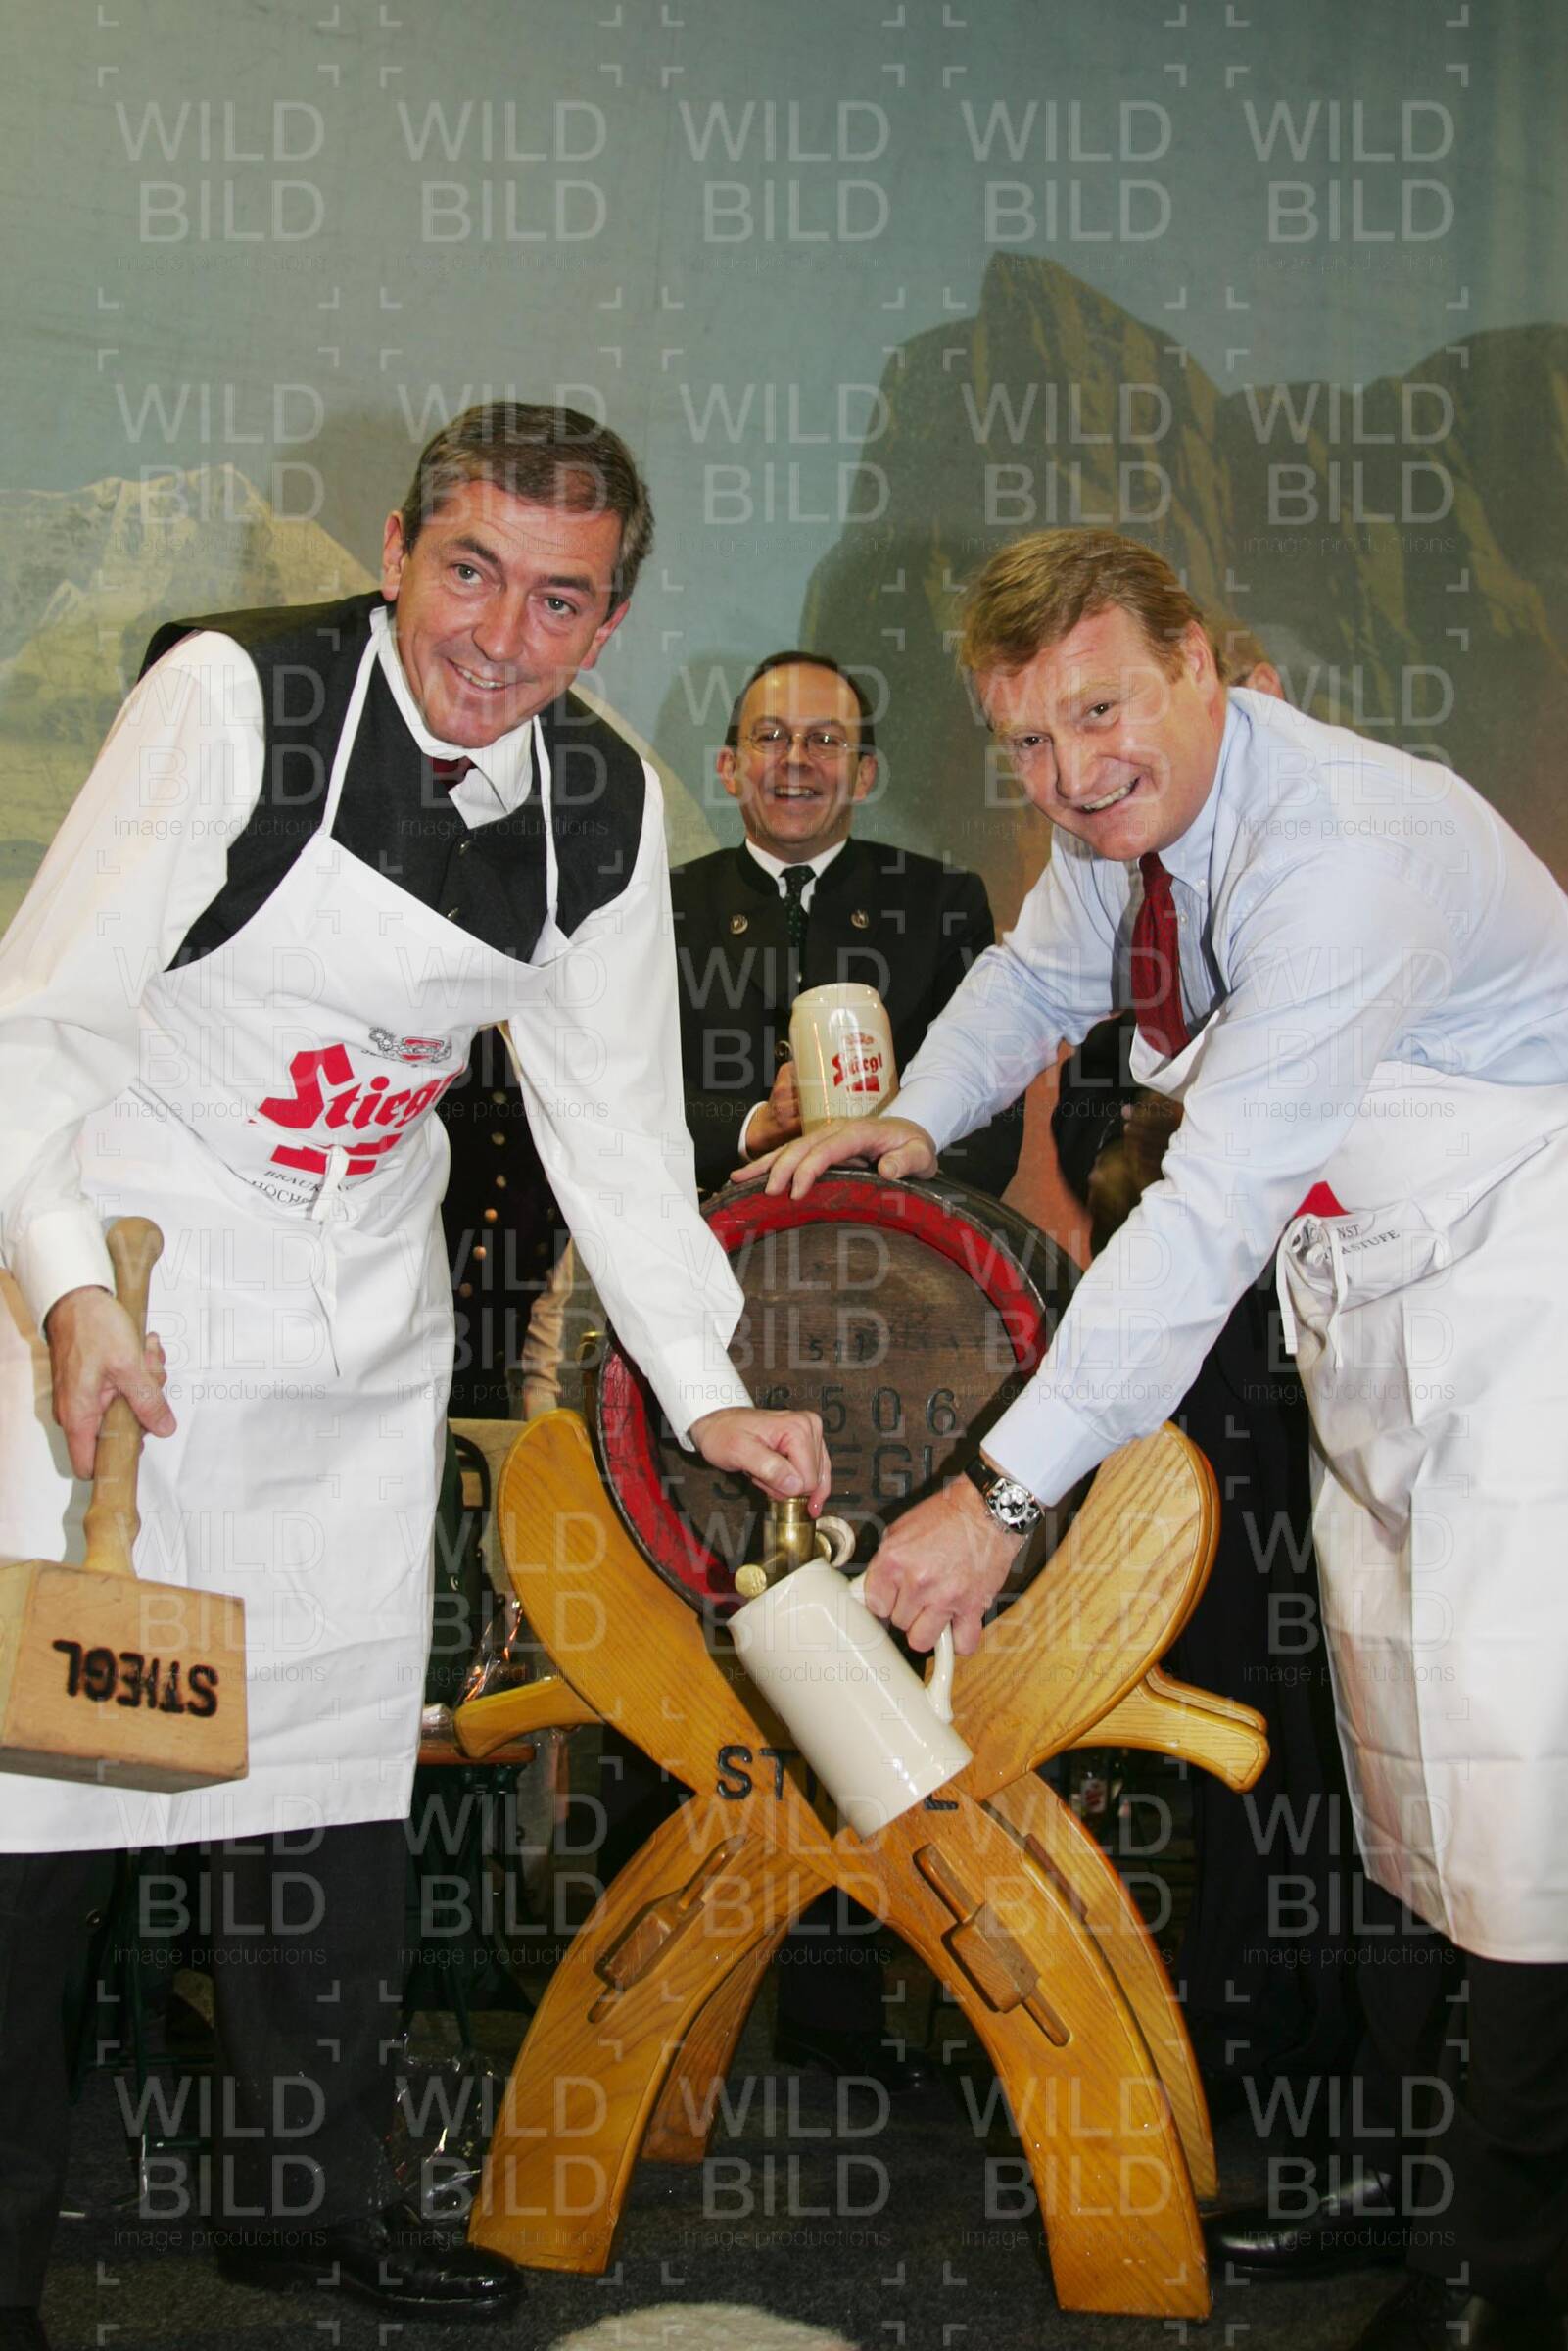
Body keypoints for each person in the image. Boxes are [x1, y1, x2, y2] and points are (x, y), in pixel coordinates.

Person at [0, 403, 826, 2346]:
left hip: (355, 1335)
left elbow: (615, 1133)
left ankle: (307, 2215)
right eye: (469, 572)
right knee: (43, 1816)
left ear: (608, 620)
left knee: (322, 1804)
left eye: (559, 600)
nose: (499, 636)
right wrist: (62, 1288)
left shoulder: (602, 805)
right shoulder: (236, 705)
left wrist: (705, 1386)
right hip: (118, 1312)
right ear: (394, 553)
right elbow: (36, 1027)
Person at [744, 529, 1568, 2350]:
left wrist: (1001, 1493)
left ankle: (1502, 2272)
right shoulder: (1129, 830)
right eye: (1028, 741)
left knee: (1522, 1791)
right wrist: (910, 1122)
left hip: (1534, 1302)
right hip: (1385, 1299)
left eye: (1101, 712)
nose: (1069, 771)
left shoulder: (1343, 855)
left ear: (1203, 664)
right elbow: (1034, 983)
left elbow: (1201, 1219)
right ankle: (1403, 2177)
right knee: (1401, 1769)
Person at [671, 649, 1023, 1197]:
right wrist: (753, 1128)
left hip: (896, 1230)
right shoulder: (663, 907)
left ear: (864, 776)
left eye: (825, 740)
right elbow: (616, 1096)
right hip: (703, 1230)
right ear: (728, 768)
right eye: (770, 736)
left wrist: (877, 1182)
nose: (796, 759)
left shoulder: (942, 903)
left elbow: (991, 1116)